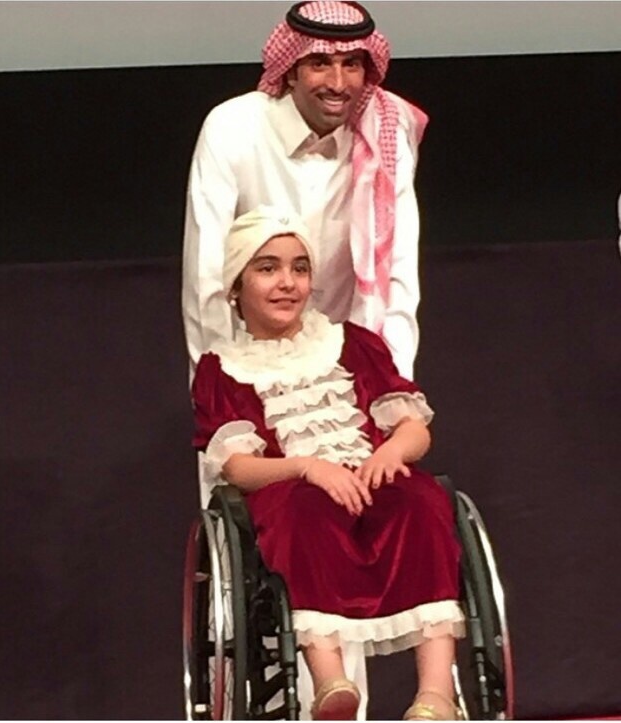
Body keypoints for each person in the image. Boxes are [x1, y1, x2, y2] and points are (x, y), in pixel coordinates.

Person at [192, 206, 465, 721]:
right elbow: (238, 467)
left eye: (299, 268)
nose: (287, 282)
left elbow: (414, 429)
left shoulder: (352, 344)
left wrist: (391, 450)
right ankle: (330, 680)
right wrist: (306, 467)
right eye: (268, 268)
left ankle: (435, 694)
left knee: (421, 499)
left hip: (369, 474)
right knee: (303, 511)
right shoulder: (222, 370)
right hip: (294, 492)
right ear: (237, 285)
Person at [182, 0, 429, 380]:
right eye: (319, 63)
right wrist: (219, 385)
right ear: (291, 72)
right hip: (253, 361)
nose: (337, 83)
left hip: (348, 360)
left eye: (352, 64)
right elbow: (207, 276)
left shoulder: (384, 132)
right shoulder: (233, 127)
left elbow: (397, 275)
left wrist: (393, 382)